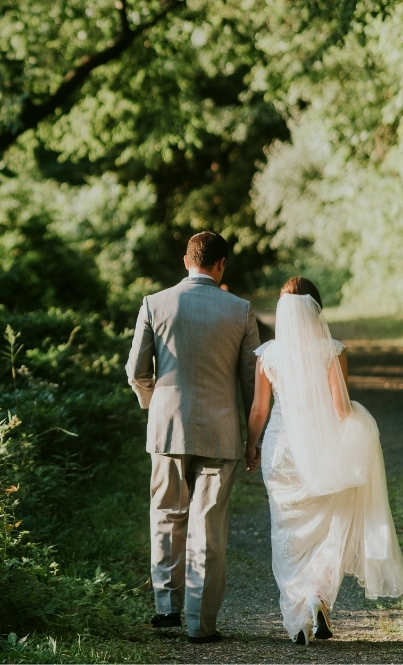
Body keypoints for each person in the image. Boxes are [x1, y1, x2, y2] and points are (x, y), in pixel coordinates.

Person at [245, 277, 403, 644]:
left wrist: (250, 448)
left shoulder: (268, 355)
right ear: (317, 310)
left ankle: (299, 615)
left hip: (280, 452)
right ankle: (317, 598)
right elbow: (341, 410)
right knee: (328, 528)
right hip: (320, 450)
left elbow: (258, 410)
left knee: (287, 533)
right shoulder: (331, 351)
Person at [125, 231, 260, 643]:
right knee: (208, 524)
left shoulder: (154, 304)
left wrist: (154, 404)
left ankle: (167, 610)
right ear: (221, 265)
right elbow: (252, 383)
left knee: (167, 515)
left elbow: (136, 371)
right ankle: (201, 623)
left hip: (167, 427)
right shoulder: (241, 310)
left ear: (186, 261)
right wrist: (253, 438)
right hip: (222, 430)